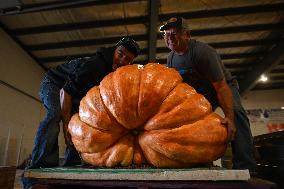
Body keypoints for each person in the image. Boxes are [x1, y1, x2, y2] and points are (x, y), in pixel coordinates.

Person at [159, 17, 256, 173]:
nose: (170, 37)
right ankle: (198, 161)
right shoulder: (171, 59)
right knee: (189, 123)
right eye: (166, 33)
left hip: (223, 87)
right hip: (202, 94)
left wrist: (229, 118)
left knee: (237, 114)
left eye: (175, 32)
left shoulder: (202, 52)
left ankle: (247, 166)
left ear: (187, 34)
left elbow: (221, 86)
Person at [27, 36, 140, 169]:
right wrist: (66, 126)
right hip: (54, 83)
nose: (122, 60)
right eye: (120, 54)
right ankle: (41, 162)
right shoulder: (95, 65)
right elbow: (66, 92)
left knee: (82, 123)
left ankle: (72, 162)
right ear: (114, 50)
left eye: (127, 59)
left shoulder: (114, 74)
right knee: (55, 114)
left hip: (74, 92)